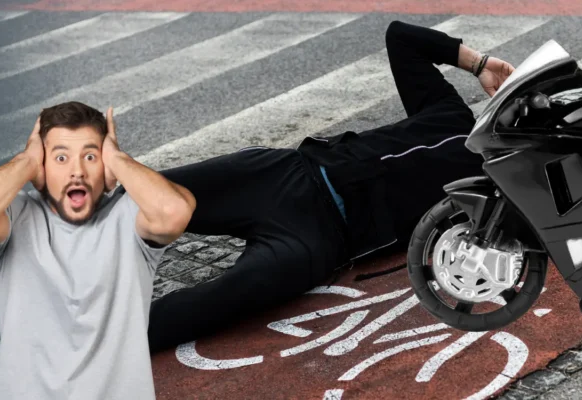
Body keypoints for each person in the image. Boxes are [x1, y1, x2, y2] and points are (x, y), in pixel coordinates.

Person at [147, 20, 515, 353]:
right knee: (143, 193)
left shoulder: (496, 199)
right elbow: (400, 36)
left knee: (215, 304)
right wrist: (480, 64)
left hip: (319, 240)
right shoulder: (448, 111)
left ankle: (105, 338)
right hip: (283, 175)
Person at [0, 102, 197, 399]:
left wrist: (119, 159)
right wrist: (25, 161)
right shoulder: (18, 215)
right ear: (43, 167)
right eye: (60, 158)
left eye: (91, 156)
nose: (77, 171)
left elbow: (173, 211)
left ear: (106, 167)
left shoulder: (127, 216)